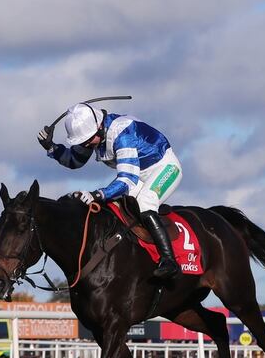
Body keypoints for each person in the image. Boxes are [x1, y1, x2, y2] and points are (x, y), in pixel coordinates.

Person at [37, 104, 183, 278]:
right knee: (118, 209)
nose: (85, 145)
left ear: (99, 128)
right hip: (138, 175)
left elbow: (127, 179)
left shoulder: (122, 133)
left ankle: (169, 261)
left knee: (145, 203)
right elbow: (74, 161)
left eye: (87, 141)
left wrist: (97, 194)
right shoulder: (93, 133)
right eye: (82, 142)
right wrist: (51, 147)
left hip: (164, 168)